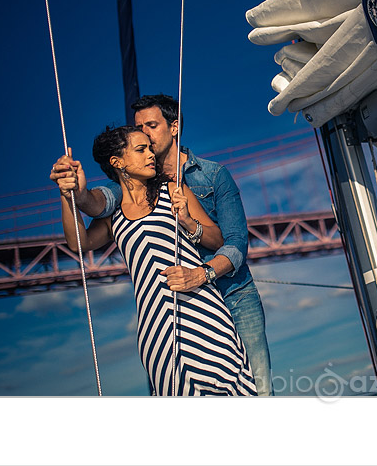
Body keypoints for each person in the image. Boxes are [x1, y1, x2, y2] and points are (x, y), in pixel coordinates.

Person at [51, 94, 273, 395]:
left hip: (220, 300)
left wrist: (193, 241)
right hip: (155, 326)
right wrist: (70, 193)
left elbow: (232, 242)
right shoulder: (117, 203)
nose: (146, 138)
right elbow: (85, 227)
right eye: (139, 133)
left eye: (151, 127)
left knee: (252, 393)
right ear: (118, 162)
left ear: (174, 127)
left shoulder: (196, 182)